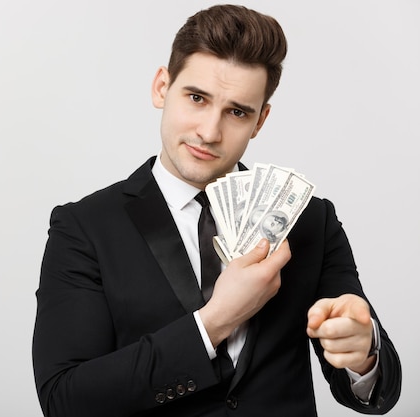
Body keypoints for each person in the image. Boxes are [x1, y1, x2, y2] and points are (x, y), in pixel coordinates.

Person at [32, 4, 402, 417]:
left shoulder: (310, 221)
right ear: (161, 87)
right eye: (196, 98)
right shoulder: (84, 228)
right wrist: (214, 321)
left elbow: (375, 390)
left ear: (260, 121)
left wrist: (362, 353)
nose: (209, 132)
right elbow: (65, 400)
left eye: (237, 112)